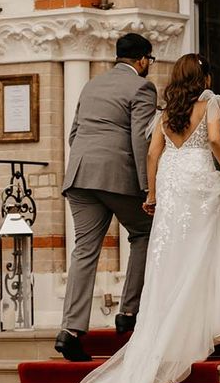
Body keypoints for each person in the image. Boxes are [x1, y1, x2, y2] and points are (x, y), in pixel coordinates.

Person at [67, 53, 220, 383]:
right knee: (202, 253)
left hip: (171, 183)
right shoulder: (210, 102)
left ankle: (169, 327)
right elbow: (214, 139)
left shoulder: (165, 112)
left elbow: (152, 152)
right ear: (203, 77)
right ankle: (207, 327)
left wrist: (151, 194)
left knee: (171, 257)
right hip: (197, 180)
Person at [54, 33, 157, 363]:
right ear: (141, 60)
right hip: (116, 176)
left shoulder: (91, 85)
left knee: (84, 250)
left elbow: (74, 134)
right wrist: (147, 188)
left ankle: (70, 330)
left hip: (80, 174)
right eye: (149, 61)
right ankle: (128, 312)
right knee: (144, 232)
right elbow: (141, 140)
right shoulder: (142, 88)